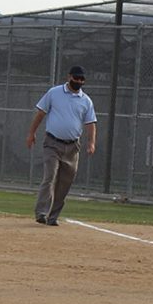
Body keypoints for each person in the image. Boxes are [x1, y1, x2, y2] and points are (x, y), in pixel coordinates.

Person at [26, 65, 97, 226]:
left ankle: (52, 217)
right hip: (52, 143)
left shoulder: (86, 101)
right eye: (76, 78)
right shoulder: (54, 93)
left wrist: (91, 142)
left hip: (72, 147)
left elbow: (91, 123)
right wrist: (31, 133)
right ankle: (42, 213)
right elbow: (40, 113)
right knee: (50, 176)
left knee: (65, 182)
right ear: (69, 77)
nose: (78, 81)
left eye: (81, 79)